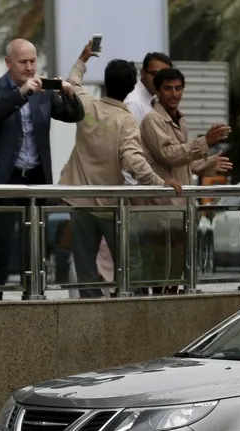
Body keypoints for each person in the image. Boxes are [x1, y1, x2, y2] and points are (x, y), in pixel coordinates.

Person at [58, 40, 180, 298]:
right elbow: (134, 161)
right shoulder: (125, 120)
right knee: (128, 261)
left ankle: (91, 309)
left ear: (106, 82)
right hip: (109, 205)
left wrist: (83, 59)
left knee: (85, 265)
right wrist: (161, 183)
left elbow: (74, 82)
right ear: (130, 87)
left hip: (79, 200)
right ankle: (128, 308)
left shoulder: (88, 108)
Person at [0, 38, 85, 300]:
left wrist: (69, 93)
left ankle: (33, 300)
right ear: (8, 62)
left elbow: (74, 116)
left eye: (33, 61)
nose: (29, 67)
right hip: (5, 178)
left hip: (35, 179)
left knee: (34, 246)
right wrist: (22, 92)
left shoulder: (44, 93)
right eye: (23, 62)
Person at [139, 67, 231, 292]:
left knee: (178, 270)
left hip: (182, 207)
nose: (174, 93)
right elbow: (168, 154)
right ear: (158, 92)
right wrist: (205, 141)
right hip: (162, 209)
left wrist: (210, 164)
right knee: (163, 270)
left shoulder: (181, 120)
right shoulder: (152, 120)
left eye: (178, 88)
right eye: (168, 88)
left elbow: (184, 163)